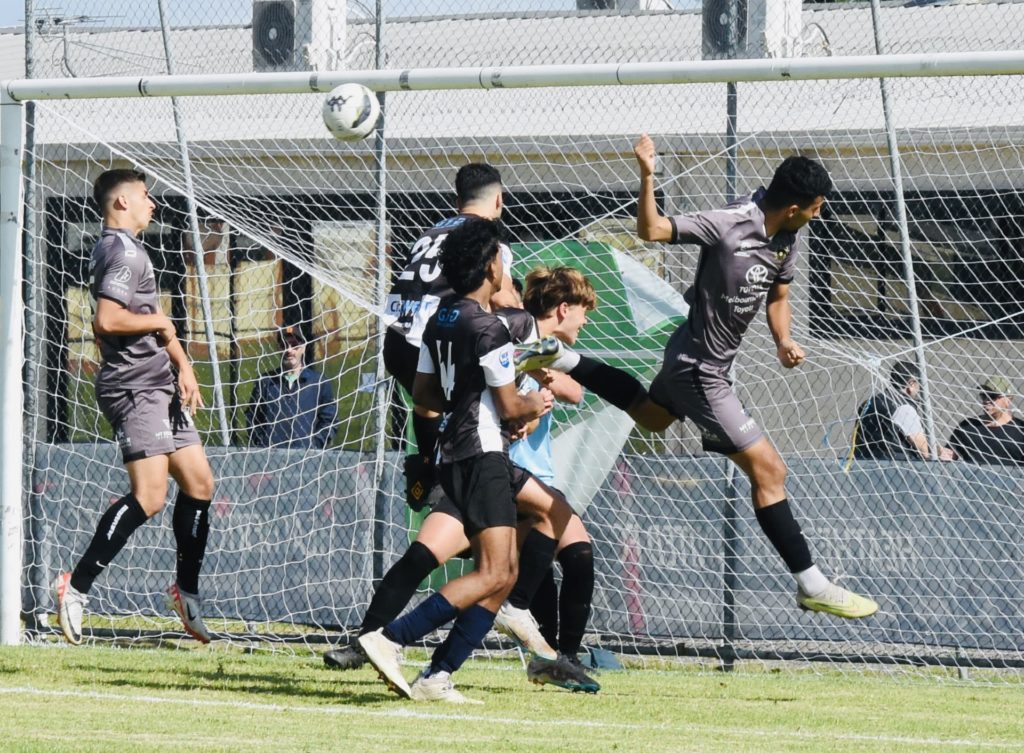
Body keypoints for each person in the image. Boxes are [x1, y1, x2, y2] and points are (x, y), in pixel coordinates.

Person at [520, 135, 879, 620]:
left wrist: (783, 340)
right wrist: (649, 174)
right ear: (794, 206)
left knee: (651, 417)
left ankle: (564, 360)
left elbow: (778, 295)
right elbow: (651, 229)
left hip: (697, 363)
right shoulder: (730, 223)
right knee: (771, 471)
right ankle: (812, 583)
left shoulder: (787, 238)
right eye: (816, 208)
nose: (818, 215)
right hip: (700, 371)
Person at [323, 268, 594, 693]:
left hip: (482, 462)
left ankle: (450, 667)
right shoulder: (499, 329)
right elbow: (496, 402)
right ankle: (383, 639)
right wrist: (525, 406)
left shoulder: (499, 338)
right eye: (502, 283)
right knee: (480, 565)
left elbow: (550, 385)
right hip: (480, 462)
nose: (505, 294)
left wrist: (533, 396)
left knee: (524, 551)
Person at [358, 216, 552, 704]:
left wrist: (465, 396)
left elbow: (424, 394)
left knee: (504, 571)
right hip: (483, 453)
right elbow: (510, 406)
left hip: (453, 453)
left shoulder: (437, 322)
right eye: (503, 265)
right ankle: (391, 637)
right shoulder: (489, 329)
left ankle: (438, 676)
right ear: (490, 267)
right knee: (493, 573)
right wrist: (533, 404)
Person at [53, 168, 215, 645]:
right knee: (149, 496)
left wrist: (183, 364)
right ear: (121, 203)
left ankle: (185, 593)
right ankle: (75, 587)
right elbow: (107, 318)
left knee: (201, 483)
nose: (153, 205)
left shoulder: (132, 250)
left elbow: (154, 323)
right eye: (146, 196)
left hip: (160, 385)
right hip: (134, 388)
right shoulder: (118, 249)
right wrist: (164, 325)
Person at [382, 163, 519, 510]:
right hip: (430, 339)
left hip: (396, 340)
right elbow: (503, 299)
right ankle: (464, 492)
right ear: (499, 200)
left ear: (457, 200)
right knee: (488, 402)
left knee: (429, 401)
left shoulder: (430, 232)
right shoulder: (486, 239)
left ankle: (426, 466)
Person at [513, 266, 601, 693]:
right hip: (504, 471)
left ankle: (562, 657)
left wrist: (539, 371)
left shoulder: (541, 349)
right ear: (563, 308)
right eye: (583, 312)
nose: (585, 322)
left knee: (578, 554)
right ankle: (549, 656)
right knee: (516, 579)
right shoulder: (513, 336)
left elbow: (575, 392)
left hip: (540, 476)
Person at [246, 325, 339, 449]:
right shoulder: (265, 382)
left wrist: (315, 445)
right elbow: (252, 417)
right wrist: (262, 442)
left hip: (306, 459)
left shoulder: (319, 382)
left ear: (303, 348)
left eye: (294, 345)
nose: (289, 350)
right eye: (284, 345)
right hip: (270, 458)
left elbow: (329, 419)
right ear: (278, 348)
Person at [850, 361, 946, 462]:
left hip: (862, 463)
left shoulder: (869, 403)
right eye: (919, 384)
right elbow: (925, 451)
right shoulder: (904, 408)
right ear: (911, 384)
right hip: (897, 467)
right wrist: (940, 451)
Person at [947, 375, 1024, 465]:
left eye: (992, 396)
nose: (987, 400)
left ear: (1008, 400)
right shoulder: (967, 426)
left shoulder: (1021, 430)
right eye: (984, 395)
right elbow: (949, 454)